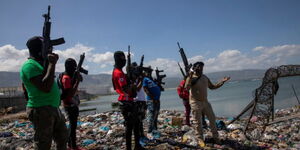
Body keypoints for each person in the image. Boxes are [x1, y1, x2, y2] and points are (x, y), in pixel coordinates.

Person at [20, 36, 68, 150]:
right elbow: (45, 87)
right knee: (43, 144)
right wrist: (52, 64)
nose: (49, 51)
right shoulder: (29, 66)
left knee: (62, 138)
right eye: (47, 48)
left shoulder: (41, 64)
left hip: (53, 108)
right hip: (41, 110)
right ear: (38, 49)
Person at [184, 61, 230, 143]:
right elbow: (186, 87)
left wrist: (222, 81)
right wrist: (190, 74)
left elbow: (212, 87)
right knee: (198, 122)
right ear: (194, 68)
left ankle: (216, 138)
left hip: (205, 102)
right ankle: (200, 139)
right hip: (195, 102)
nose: (200, 69)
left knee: (212, 119)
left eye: (202, 67)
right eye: (198, 67)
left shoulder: (204, 77)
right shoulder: (191, 78)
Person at [112, 51, 143, 150]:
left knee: (136, 123)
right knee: (129, 127)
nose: (124, 61)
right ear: (118, 60)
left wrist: (135, 79)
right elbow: (127, 89)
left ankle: (137, 145)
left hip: (128, 101)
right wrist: (133, 84)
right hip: (126, 102)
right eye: (122, 59)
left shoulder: (117, 71)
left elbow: (133, 90)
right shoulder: (119, 73)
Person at [60, 58, 84, 150]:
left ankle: (71, 144)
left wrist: (78, 77)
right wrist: (77, 81)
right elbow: (70, 94)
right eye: (73, 67)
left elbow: (79, 80)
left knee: (73, 125)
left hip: (72, 104)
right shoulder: (66, 78)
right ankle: (72, 146)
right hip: (69, 105)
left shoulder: (70, 76)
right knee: (72, 126)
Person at [143, 68, 161, 135]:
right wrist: (153, 99)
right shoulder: (145, 79)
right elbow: (146, 90)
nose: (149, 73)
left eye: (150, 72)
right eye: (148, 72)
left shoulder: (152, 79)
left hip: (157, 100)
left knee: (155, 116)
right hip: (151, 101)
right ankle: (149, 132)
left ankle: (155, 130)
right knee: (151, 116)